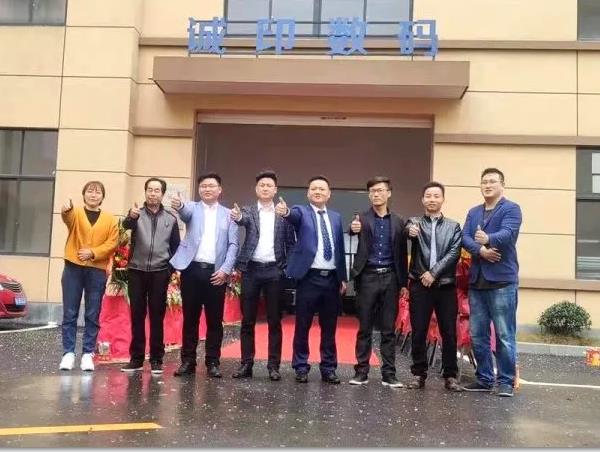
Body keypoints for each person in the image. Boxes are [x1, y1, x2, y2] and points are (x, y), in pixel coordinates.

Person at [275, 175, 347, 384]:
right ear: (308, 193)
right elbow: (292, 216)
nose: (318, 192)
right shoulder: (301, 211)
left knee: (329, 327)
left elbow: (340, 249)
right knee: (303, 325)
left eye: (322, 189)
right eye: (314, 188)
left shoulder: (336, 217)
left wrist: (342, 277)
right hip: (309, 278)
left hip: (331, 279)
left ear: (329, 194)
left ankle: (328, 368)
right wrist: (286, 212)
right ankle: (300, 366)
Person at [170, 172, 239, 378]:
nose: (207, 189)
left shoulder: (229, 214)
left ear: (220, 190)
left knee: (214, 321)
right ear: (199, 190)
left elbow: (233, 244)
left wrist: (225, 269)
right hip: (192, 270)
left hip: (216, 273)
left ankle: (213, 362)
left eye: (211, 186)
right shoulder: (192, 207)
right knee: (190, 319)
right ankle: (188, 361)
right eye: (203, 186)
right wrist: (179, 205)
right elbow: (184, 212)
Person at [462, 168, 522, 397]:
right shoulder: (473, 212)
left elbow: (509, 234)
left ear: (502, 185)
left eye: (492, 181)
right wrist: (481, 251)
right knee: (478, 334)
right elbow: (465, 238)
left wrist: (488, 239)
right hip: (477, 281)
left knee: (504, 335)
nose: (487, 185)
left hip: (502, 281)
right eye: (484, 182)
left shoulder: (511, 209)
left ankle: (505, 381)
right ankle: (484, 378)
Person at [230, 170, 296, 381]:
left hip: (275, 270)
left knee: (274, 321)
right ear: (256, 189)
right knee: (247, 320)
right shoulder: (249, 211)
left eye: (269, 185)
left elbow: (291, 244)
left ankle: (273, 366)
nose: (265, 188)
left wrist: (286, 268)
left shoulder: (283, 213)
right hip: (251, 270)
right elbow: (243, 220)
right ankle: (246, 364)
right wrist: (238, 217)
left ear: (275, 190)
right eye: (262, 185)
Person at [347, 176, 408, 388]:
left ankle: (389, 374)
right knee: (364, 327)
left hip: (391, 277)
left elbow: (403, 252)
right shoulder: (362, 219)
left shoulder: (399, 221)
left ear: (388, 193)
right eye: (372, 191)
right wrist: (352, 228)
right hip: (368, 277)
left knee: (388, 329)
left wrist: (403, 283)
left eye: (380, 190)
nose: (376, 194)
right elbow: (352, 228)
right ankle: (361, 372)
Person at [405, 181, 463, 392]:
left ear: (443, 199)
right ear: (422, 200)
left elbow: (454, 253)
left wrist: (434, 273)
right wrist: (410, 231)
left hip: (445, 286)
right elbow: (407, 231)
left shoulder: (453, 226)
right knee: (419, 331)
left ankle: (450, 375)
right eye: (428, 196)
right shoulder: (414, 222)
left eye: (436, 196)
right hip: (420, 285)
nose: (432, 199)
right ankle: (418, 374)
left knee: (449, 332)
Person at [120, 177, 181, 375]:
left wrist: (170, 270)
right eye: (150, 190)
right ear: (145, 192)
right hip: (136, 271)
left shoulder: (171, 219)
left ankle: (156, 359)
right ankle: (136, 358)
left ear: (162, 194)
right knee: (137, 316)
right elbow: (125, 226)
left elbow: (176, 248)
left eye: (157, 190)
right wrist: (130, 217)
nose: (153, 193)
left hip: (160, 273)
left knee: (157, 317)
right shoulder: (136, 214)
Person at [59, 181, 118, 372]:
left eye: (98, 192)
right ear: (84, 194)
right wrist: (66, 209)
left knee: (93, 313)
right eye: (90, 191)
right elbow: (67, 217)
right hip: (73, 268)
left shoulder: (110, 219)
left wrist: (93, 252)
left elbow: (112, 243)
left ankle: (87, 353)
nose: (93, 195)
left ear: (102, 196)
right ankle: (68, 353)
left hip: (97, 270)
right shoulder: (75, 213)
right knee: (70, 312)